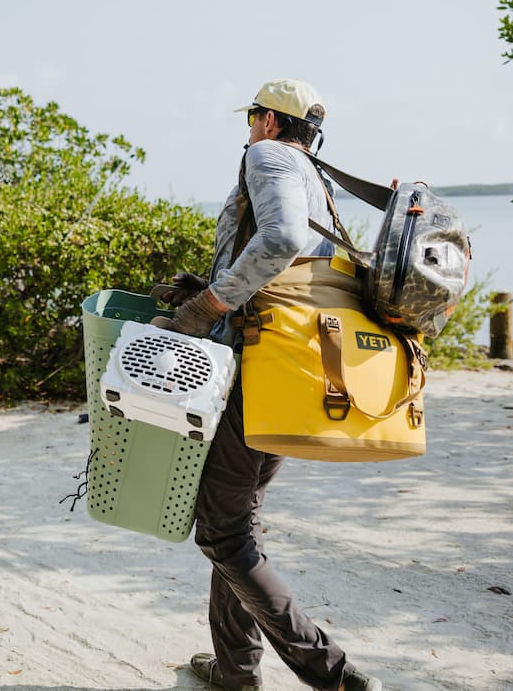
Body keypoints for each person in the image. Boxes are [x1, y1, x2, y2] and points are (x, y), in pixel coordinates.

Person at [152, 78, 383, 691]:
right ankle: (235, 673)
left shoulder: (268, 155)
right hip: (292, 370)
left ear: (272, 122)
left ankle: (331, 673)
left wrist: (210, 303)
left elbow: (280, 240)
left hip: (257, 369)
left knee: (222, 532)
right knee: (237, 525)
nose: (249, 127)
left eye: (254, 115)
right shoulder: (316, 178)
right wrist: (207, 281)